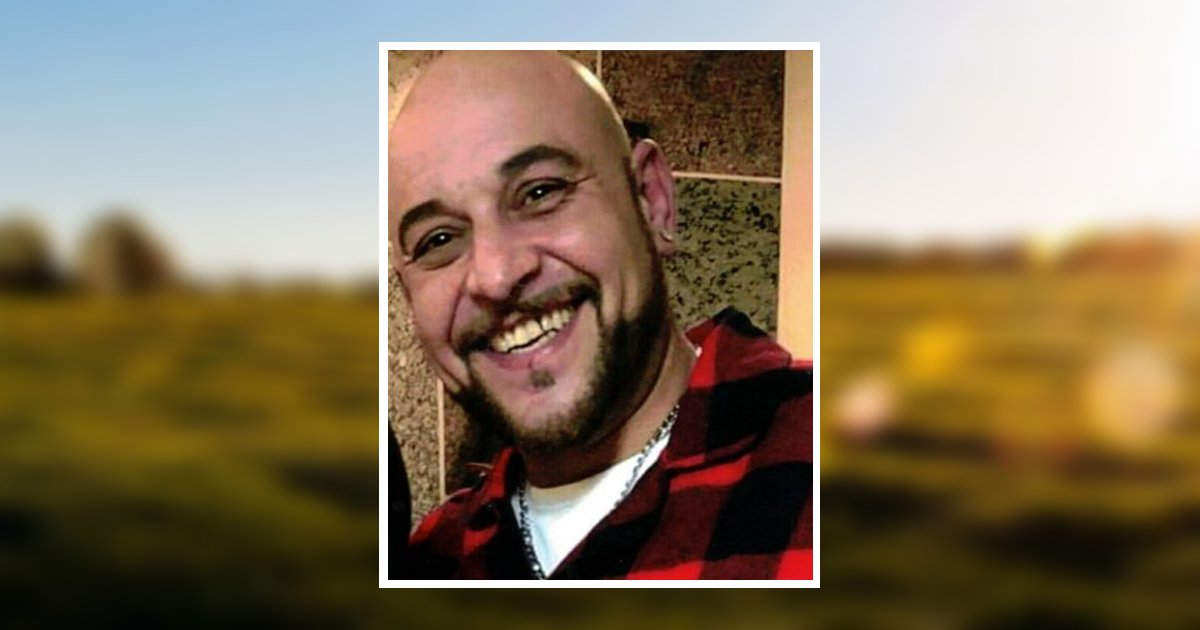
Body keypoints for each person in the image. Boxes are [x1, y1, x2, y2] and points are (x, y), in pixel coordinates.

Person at [389, 51, 812, 579]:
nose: (495, 276)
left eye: (540, 192)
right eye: (438, 240)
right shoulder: (431, 559)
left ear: (651, 200)